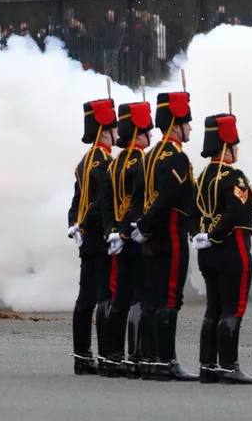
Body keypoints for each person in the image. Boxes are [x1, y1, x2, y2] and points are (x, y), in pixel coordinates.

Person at [191, 114, 252, 384]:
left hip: (206, 252)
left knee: (213, 308)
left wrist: (199, 235)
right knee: (233, 308)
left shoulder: (201, 178)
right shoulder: (235, 177)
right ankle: (229, 367)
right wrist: (216, 235)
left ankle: (208, 367)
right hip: (232, 249)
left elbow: (190, 213)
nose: (237, 150)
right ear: (226, 147)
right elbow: (234, 213)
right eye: (235, 145)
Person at [134, 91, 198, 381]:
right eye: (187, 122)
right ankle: (166, 362)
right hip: (169, 234)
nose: (190, 128)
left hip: (149, 238)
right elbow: (168, 198)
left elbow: (138, 198)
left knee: (151, 298)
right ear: (175, 124)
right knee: (170, 298)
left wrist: (140, 227)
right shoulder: (176, 157)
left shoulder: (149, 156)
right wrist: (147, 225)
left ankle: (148, 361)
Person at [101, 101, 156, 379]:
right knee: (138, 298)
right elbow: (139, 204)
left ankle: (112, 358)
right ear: (138, 133)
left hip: (118, 239)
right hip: (135, 237)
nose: (151, 137)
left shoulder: (114, 162)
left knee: (120, 298)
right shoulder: (144, 162)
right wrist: (128, 231)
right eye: (147, 132)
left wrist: (113, 231)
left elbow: (106, 204)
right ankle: (135, 358)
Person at [67, 98, 117, 374]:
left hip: (86, 237)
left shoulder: (84, 161)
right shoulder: (106, 162)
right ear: (104, 131)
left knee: (85, 297)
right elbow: (101, 204)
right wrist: (86, 224)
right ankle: (108, 355)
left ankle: (82, 356)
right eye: (113, 129)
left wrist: (74, 224)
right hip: (101, 234)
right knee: (105, 296)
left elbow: (77, 200)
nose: (117, 134)